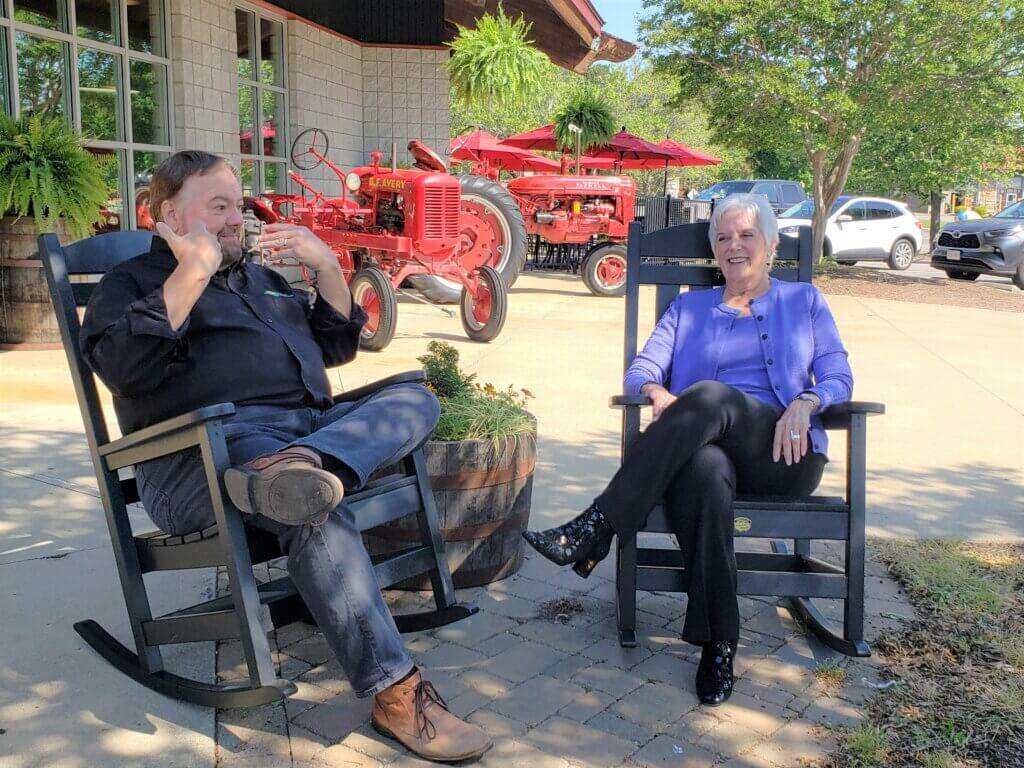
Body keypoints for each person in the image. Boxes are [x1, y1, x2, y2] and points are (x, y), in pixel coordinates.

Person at [80, 150, 492, 763]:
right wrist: (190, 273)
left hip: (299, 435)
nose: (236, 219)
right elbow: (123, 370)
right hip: (205, 453)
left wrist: (326, 264)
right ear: (168, 214)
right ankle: (398, 696)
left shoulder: (260, 281)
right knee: (312, 508)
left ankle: (300, 466)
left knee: (416, 398)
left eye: (238, 205)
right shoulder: (135, 284)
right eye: (218, 207)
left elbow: (335, 346)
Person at [523, 193, 853, 706]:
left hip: (782, 455)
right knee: (704, 466)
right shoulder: (688, 307)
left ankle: (597, 525)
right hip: (699, 453)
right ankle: (720, 642)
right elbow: (641, 370)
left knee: (708, 395)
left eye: (746, 236)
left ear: (769, 246)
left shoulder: (804, 300)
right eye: (723, 238)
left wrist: (809, 401)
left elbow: (838, 374)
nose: (734, 246)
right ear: (713, 250)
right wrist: (655, 393)